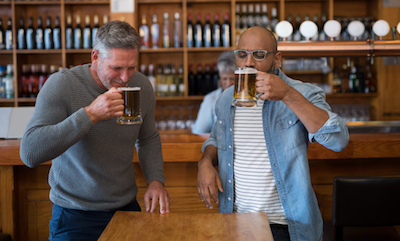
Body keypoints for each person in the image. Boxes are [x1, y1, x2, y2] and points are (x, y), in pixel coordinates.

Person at [19, 20, 170, 241]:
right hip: (73, 215)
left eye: (131, 67)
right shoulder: (62, 85)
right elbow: (30, 153)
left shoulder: (142, 86)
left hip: (126, 208)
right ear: (95, 57)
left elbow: (147, 139)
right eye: (116, 68)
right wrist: (90, 114)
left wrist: (156, 180)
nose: (125, 78)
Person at [197, 26, 349, 241]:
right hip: (235, 219)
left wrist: (287, 94)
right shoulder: (225, 98)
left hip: (285, 226)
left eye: (259, 55)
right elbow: (216, 138)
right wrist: (205, 162)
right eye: (242, 55)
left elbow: (338, 140)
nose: (249, 63)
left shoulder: (301, 92)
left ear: (276, 59)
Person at [192, 51, 236, 134]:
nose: (228, 83)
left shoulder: (247, 99)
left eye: (232, 78)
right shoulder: (211, 99)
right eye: (225, 79)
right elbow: (199, 132)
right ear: (220, 77)